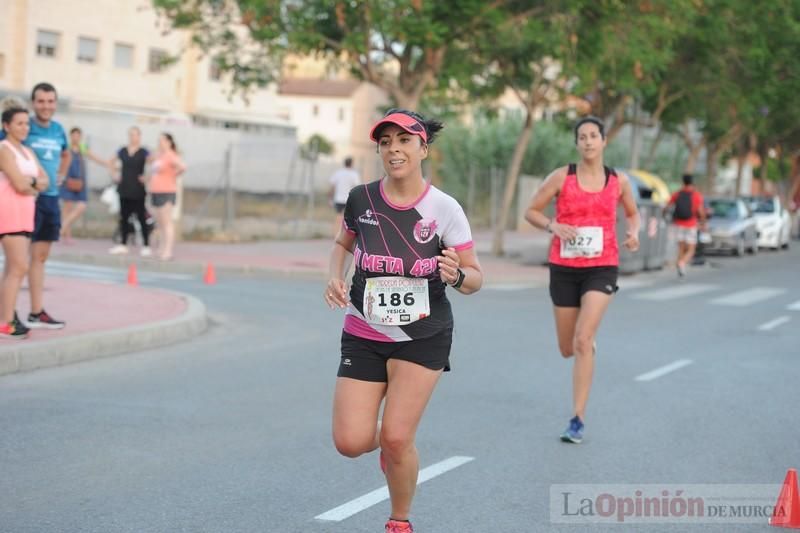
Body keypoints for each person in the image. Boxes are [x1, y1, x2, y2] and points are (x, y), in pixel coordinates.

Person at [324, 108, 482, 533]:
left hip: (423, 335)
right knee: (350, 441)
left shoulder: (444, 209)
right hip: (363, 331)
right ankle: (391, 433)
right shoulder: (362, 198)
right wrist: (334, 277)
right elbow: (342, 243)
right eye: (386, 142)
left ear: (422, 148)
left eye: (404, 140)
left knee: (396, 438)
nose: (394, 149)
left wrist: (458, 275)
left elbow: (476, 278)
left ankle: (400, 520)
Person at [524, 116, 640, 444]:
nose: (588, 141)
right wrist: (552, 226)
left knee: (582, 339)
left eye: (593, 136)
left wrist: (633, 231)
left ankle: (577, 418)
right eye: (582, 137)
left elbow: (632, 212)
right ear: (577, 144)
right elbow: (531, 210)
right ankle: (583, 344)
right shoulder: (562, 177)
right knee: (566, 348)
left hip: (602, 267)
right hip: (564, 267)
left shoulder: (619, 181)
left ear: (604, 141)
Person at [9, 83, 71, 329]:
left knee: (40, 257)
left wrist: (62, 174)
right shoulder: (22, 126)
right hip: (26, 200)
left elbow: (66, 154)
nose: (46, 106)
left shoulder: (58, 130)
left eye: (50, 101)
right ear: (33, 103)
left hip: (51, 199)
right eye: (41, 101)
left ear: (55, 103)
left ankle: (36, 313)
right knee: (17, 261)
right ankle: (9, 313)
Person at [0, 104, 48, 338]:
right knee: (19, 266)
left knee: (12, 268)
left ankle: (6, 317)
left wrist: (31, 184)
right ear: (6, 126)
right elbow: (19, 184)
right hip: (8, 211)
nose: (25, 127)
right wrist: (32, 184)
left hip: (25, 212)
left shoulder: (28, 152)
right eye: (19, 123)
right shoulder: (4, 149)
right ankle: (6, 322)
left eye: (27, 123)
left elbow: (45, 180)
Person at [109, 126, 152, 256]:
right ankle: (123, 244)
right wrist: (114, 174)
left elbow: (155, 164)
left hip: (138, 189)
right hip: (124, 188)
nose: (133, 137)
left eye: (135, 135)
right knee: (124, 218)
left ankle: (146, 245)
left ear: (139, 136)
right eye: (131, 135)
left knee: (141, 217)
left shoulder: (144, 151)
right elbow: (110, 161)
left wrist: (147, 177)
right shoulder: (122, 150)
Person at [58, 127, 106, 243]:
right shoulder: (66, 148)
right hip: (67, 181)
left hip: (80, 182)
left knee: (81, 206)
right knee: (66, 208)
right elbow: (60, 162)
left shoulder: (82, 148)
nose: (76, 137)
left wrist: (106, 163)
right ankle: (67, 236)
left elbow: (93, 157)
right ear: (71, 136)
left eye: (78, 135)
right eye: (74, 135)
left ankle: (62, 228)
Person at [147, 133, 186, 261]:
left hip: (167, 191)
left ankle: (168, 251)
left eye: (163, 141)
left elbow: (182, 166)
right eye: (159, 141)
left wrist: (173, 175)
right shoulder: (159, 156)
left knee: (167, 221)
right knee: (159, 223)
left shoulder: (170, 155)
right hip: (155, 191)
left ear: (169, 142)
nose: (160, 143)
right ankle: (161, 248)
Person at [664, 174, 706, 276]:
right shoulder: (696, 195)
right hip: (691, 224)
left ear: (683, 182)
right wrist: (703, 222)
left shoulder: (677, 194)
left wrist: (665, 216)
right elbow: (701, 212)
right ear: (693, 182)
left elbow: (666, 207)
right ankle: (682, 263)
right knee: (691, 249)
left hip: (678, 224)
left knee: (681, 248)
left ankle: (681, 268)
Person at [328, 156, 361, 236]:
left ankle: (335, 234)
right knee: (348, 218)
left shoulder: (338, 173)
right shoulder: (354, 174)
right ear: (352, 164)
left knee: (338, 217)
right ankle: (345, 236)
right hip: (349, 199)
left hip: (338, 199)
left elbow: (332, 186)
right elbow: (357, 187)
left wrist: (330, 198)